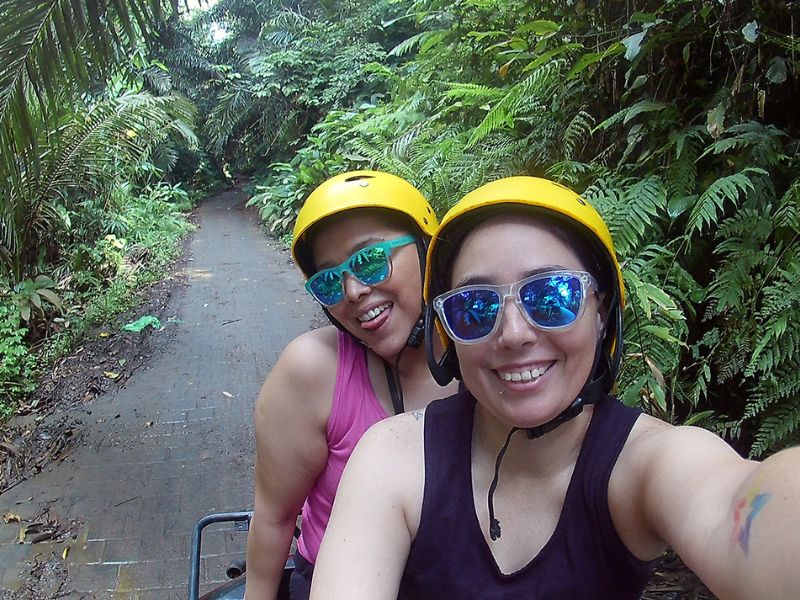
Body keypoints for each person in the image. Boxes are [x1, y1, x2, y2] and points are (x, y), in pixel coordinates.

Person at [310, 176, 800, 599]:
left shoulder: (644, 464)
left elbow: (734, 504)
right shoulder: (393, 457)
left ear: (601, 311)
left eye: (552, 296)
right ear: (448, 332)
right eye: (475, 307)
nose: (515, 333)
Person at [244, 171, 458, 599]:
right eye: (329, 280)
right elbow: (274, 516)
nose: (353, 290)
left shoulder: (486, 354)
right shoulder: (313, 372)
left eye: (370, 259)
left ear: (429, 251)